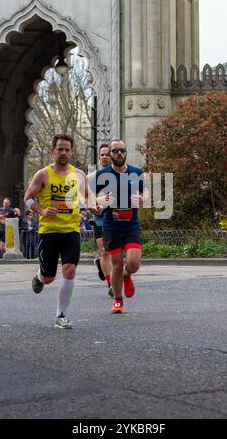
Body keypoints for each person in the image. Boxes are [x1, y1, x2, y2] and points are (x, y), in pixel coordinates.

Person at [24, 134, 99, 329]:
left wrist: (95, 206)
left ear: (71, 151)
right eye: (60, 149)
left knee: (70, 270)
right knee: (49, 278)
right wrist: (41, 210)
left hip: (70, 231)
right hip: (48, 231)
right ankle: (40, 276)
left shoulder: (79, 175)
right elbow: (28, 198)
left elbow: (87, 197)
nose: (64, 153)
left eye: (67, 149)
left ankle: (61, 314)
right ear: (53, 151)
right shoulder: (43, 174)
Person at [95, 139, 148, 314]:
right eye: (115, 150)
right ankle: (118, 301)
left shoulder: (136, 172)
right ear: (110, 154)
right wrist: (101, 201)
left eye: (122, 150)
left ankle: (127, 275)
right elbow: (88, 197)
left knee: (133, 263)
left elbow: (145, 193)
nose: (119, 153)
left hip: (131, 225)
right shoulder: (103, 175)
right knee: (116, 265)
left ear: (126, 153)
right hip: (111, 227)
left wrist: (142, 199)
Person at [87, 143, 113, 296]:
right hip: (99, 218)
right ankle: (110, 284)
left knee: (115, 253)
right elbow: (86, 198)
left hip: (116, 218)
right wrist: (93, 206)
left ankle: (100, 265)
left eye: (107, 154)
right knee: (104, 252)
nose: (104, 157)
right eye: (102, 154)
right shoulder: (93, 177)